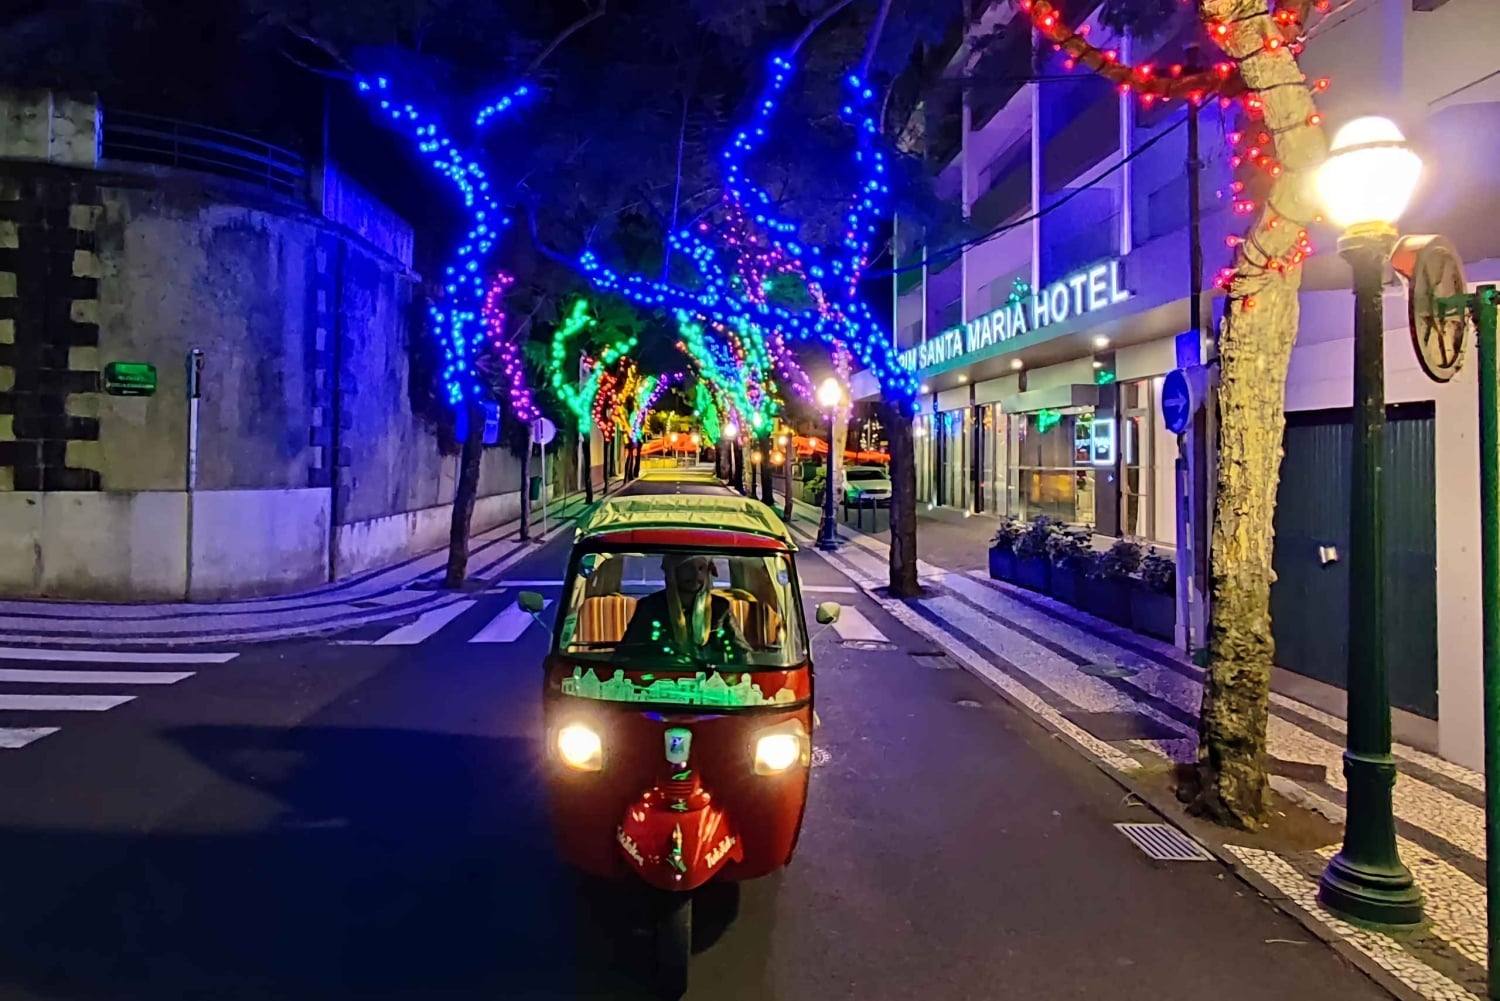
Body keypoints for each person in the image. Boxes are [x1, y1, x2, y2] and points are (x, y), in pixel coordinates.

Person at [620, 554, 749, 661]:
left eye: (700, 568)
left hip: (711, 683)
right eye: (687, 568)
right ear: (673, 572)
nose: (695, 575)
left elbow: (742, 652)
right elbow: (627, 653)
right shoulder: (650, 606)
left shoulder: (720, 608)